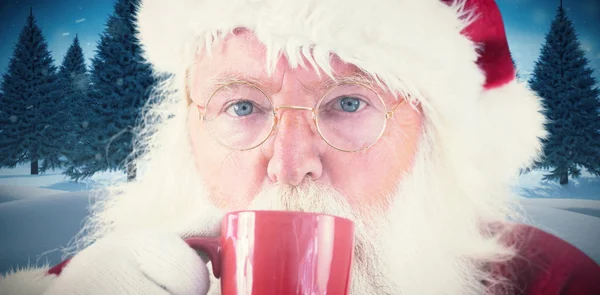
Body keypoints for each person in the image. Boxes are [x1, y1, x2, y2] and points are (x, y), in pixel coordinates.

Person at [2, 0, 600, 294]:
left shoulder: (554, 281)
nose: (290, 165)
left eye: (348, 103)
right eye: (241, 106)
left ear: (430, 134)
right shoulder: (106, 283)